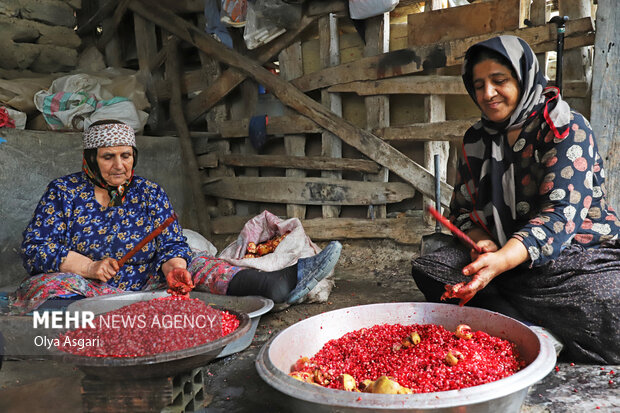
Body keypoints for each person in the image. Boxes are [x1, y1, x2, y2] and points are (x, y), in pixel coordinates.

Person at [411, 35, 620, 364]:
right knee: (431, 269)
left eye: (499, 81)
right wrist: (484, 246)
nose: (487, 94)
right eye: (478, 85)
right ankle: (536, 330)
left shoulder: (564, 127)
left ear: (524, 79)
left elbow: (560, 216)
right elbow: (463, 213)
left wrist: (501, 262)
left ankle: (510, 323)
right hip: (508, 264)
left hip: (576, 262)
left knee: (611, 305)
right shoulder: (476, 140)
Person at [10, 120, 341, 313]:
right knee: (48, 286)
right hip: (88, 288)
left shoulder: (149, 193)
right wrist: (89, 267)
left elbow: (170, 243)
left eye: (126, 156)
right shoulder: (63, 192)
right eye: (107, 157)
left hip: (147, 283)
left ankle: (279, 283)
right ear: (90, 159)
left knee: (197, 262)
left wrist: (175, 270)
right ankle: (80, 332)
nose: (119, 165)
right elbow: (36, 248)